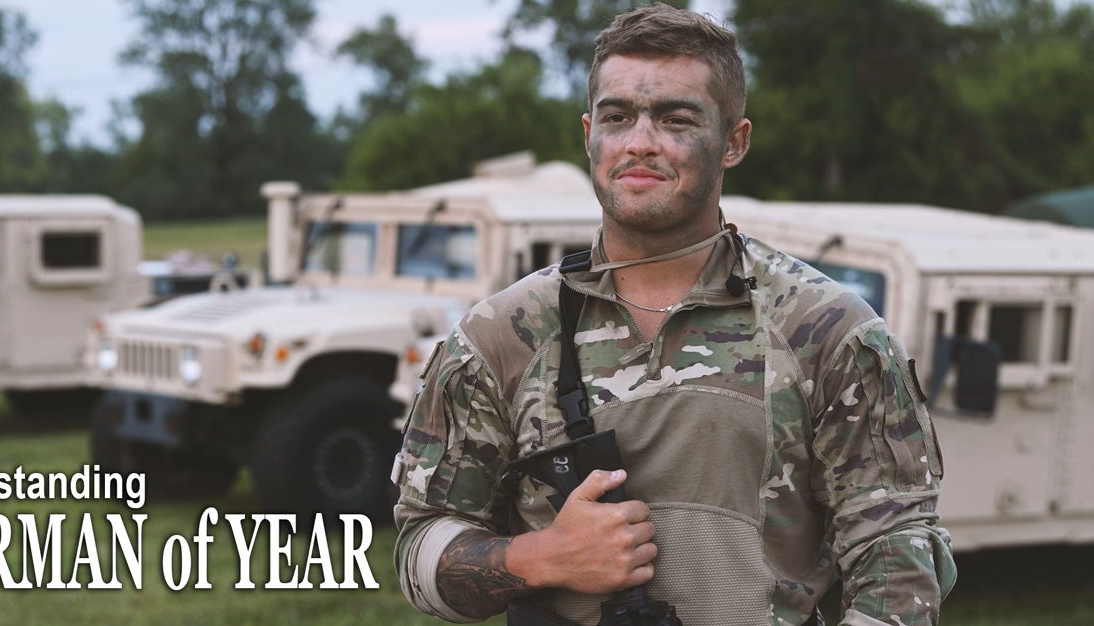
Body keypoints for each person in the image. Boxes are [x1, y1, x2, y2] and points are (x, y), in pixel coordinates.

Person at [391, 5, 955, 625]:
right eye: (617, 117)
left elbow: (897, 559)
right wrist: (542, 557)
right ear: (588, 134)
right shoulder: (503, 334)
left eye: (675, 119)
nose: (639, 142)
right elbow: (421, 548)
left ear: (734, 142)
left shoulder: (827, 331)